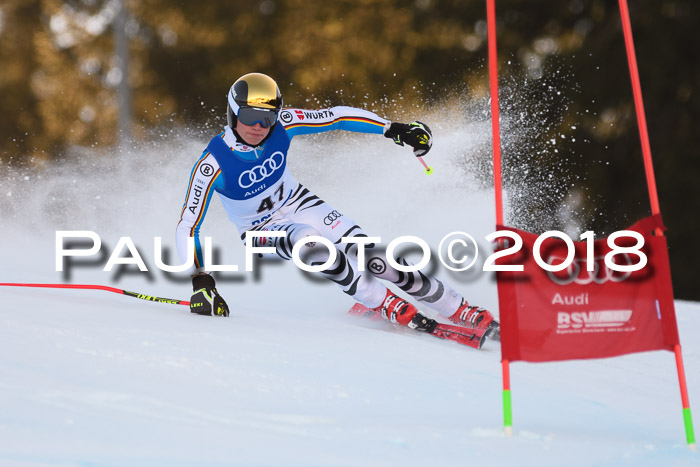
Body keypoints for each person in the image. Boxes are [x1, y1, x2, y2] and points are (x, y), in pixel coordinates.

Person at [176, 72, 498, 337]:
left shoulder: (283, 125)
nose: (259, 127)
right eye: (249, 117)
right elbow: (188, 225)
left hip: (299, 202)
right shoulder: (212, 164)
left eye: (267, 118)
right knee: (308, 242)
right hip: (259, 231)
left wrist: (393, 129)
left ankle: (456, 307)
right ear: (233, 113)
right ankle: (378, 299)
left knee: (373, 256)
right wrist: (200, 280)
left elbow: (336, 117)